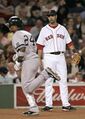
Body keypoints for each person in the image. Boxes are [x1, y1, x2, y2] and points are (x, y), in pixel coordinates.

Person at [7, 16, 60, 116]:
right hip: (33, 59)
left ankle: (46, 74)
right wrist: (17, 57)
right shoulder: (27, 33)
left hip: (29, 61)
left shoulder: (17, 34)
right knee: (25, 87)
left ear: (14, 25)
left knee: (27, 88)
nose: (9, 27)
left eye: (11, 25)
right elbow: (27, 49)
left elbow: (22, 49)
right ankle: (33, 107)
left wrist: (18, 62)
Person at [36, 10, 78, 111]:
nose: (50, 17)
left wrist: (74, 52)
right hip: (48, 56)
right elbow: (40, 46)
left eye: (52, 16)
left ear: (56, 16)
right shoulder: (44, 30)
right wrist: (39, 59)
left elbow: (69, 43)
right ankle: (48, 105)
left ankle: (66, 105)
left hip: (60, 56)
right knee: (48, 80)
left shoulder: (62, 29)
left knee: (63, 80)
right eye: (49, 16)